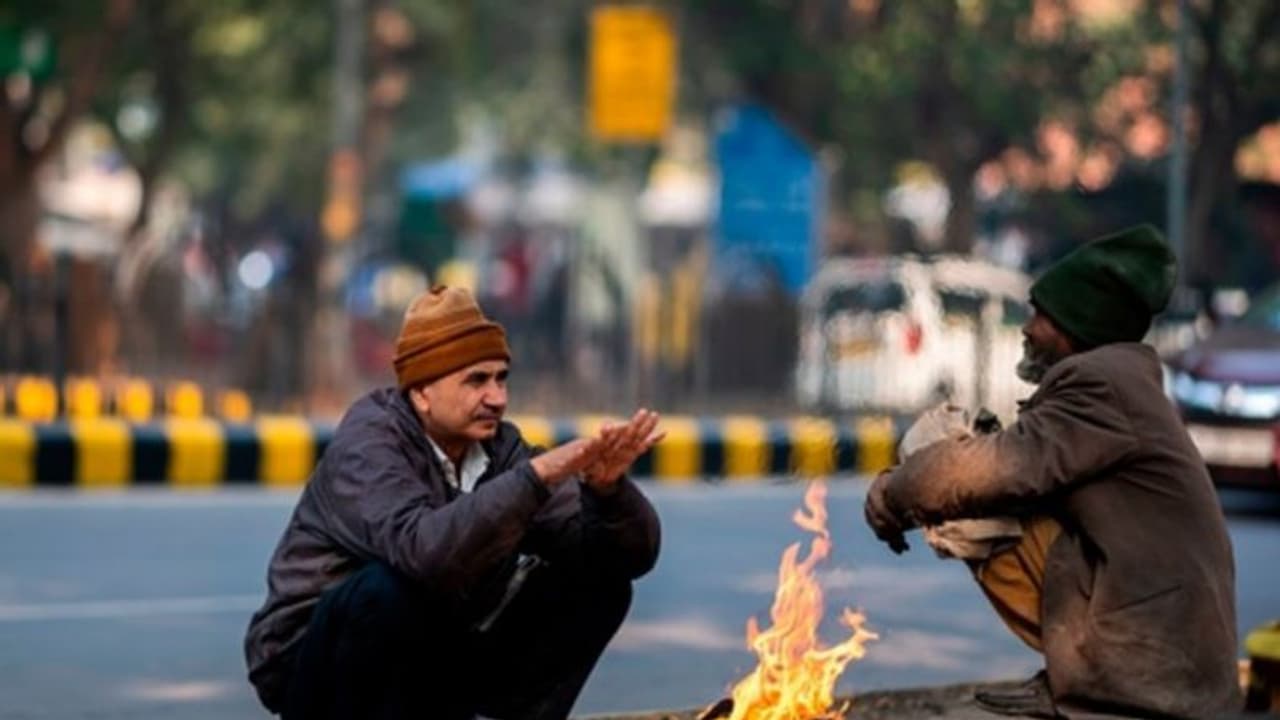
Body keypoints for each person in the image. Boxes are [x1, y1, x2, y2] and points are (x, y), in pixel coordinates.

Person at [864, 225, 1240, 718]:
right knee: (970, 479)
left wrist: (892, 496)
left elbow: (995, 469)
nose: (1027, 327)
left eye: (1040, 315)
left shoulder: (1100, 386)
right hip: (1177, 658)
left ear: (1075, 328)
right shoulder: (1121, 383)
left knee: (955, 479)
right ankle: (1078, 679)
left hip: (1161, 671)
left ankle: (1098, 688)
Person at [244, 285, 663, 720]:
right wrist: (537, 477)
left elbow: (632, 557)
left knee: (601, 583)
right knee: (387, 590)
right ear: (422, 392)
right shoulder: (369, 442)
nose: (497, 398)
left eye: (501, 378)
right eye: (476, 380)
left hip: (436, 648)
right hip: (315, 668)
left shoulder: (502, 450)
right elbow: (425, 554)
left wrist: (608, 492)